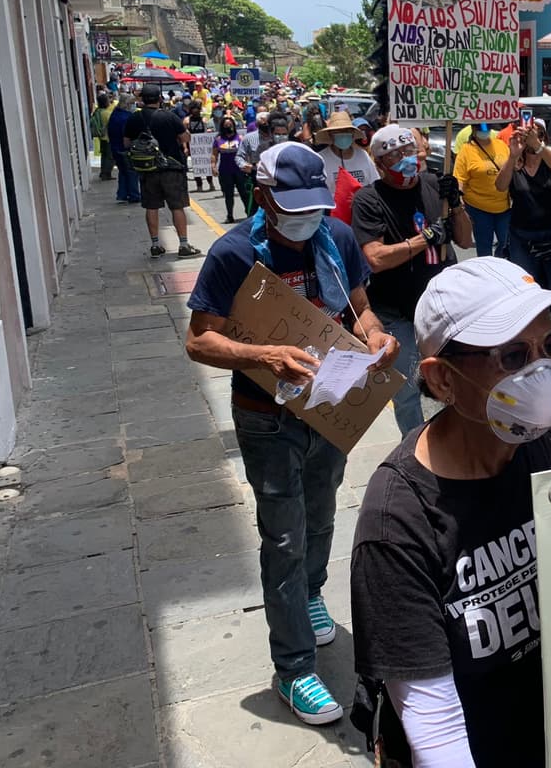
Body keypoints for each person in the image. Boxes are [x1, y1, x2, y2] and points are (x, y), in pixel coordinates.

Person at [349, 257, 551, 766]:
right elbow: (437, 731)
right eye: (513, 356)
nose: (542, 371)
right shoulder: (397, 523)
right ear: (443, 380)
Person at [185, 143, 398, 727]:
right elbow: (199, 339)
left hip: (328, 408)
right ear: (262, 197)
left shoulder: (338, 240)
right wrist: (262, 354)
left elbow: (361, 307)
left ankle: (310, 593)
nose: (307, 220)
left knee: (323, 513)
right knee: (283, 535)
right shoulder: (233, 255)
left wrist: (377, 337)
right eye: (293, 208)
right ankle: (294, 668)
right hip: (265, 417)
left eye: (315, 208)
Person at [351, 125, 472, 434]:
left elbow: (465, 239)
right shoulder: (369, 199)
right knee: (406, 392)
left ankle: (460, 438)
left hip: (442, 307)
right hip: (396, 312)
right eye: (394, 155)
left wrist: (456, 205)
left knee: (459, 378)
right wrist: (425, 239)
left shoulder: (434, 184)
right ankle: (414, 446)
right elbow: (375, 259)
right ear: (378, 164)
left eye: (408, 151)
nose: (406, 159)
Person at [496, 117, 551, 381]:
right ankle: (533, 353)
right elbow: (500, 186)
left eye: (539, 133)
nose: (533, 138)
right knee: (530, 300)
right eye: (528, 133)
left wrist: (539, 147)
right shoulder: (514, 165)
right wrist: (513, 155)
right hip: (523, 241)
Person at [125, 85, 201, 258]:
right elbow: (184, 138)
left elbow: (126, 143)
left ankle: (155, 244)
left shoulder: (134, 119)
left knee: (151, 207)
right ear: (160, 99)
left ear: (142, 100)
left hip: (147, 169)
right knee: (177, 206)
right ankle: (183, 245)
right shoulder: (169, 116)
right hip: (171, 167)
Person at [454, 122, 511, 257]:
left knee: (506, 244)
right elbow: (459, 179)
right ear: (473, 129)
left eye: (487, 128)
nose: (484, 131)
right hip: (478, 208)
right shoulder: (466, 150)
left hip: (504, 206)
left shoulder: (501, 145)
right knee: (484, 247)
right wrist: (458, 200)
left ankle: (499, 269)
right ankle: (487, 274)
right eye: (480, 128)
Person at [318, 114, 379, 188]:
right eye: (338, 131)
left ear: (353, 134)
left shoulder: (363, 155)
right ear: (330, 135)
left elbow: (375, 183)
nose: (343, 134)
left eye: (347, 131)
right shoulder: (321, 160)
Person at [107, 92, 141, 204]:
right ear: (127, 104)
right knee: (131, 172)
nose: (133, 105)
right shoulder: (126, 117)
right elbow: (127, 135)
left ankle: (122, 193)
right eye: (132, 103)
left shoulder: (114, 114)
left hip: (115, 148)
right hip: (124, 148)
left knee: (123, 171)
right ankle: (134, 195)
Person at [211, 115, 246, 223]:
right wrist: (213, 166)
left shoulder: (240, 138)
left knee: (244, 193)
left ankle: (249, 213)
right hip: (225, 171)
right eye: (226, 125)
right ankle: (230, 215)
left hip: (239, 170)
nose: (228, 127)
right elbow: (214, 154)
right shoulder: (218, 139)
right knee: (228, 195)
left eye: (230, 125)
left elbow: (246, 153)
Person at [185, 101, 216, 193]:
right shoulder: (187, 121)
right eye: (194, 109)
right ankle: (199, 186)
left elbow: (208, 133)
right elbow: (184, 135)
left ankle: (211, 184)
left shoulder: (204, 120)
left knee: (207, 166)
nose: (196, 111)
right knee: (196, 167)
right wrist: (185, 147)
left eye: (198, 109)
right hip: (193, 147)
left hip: (204, 147)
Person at [90, 91, 114, 180]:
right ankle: (106, 174)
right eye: (108, 100)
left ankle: (103, 172)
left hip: (101, 137)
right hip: (108, 138)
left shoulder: (97, 111)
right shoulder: (107, 113)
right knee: (109, 157)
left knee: (104, 156)